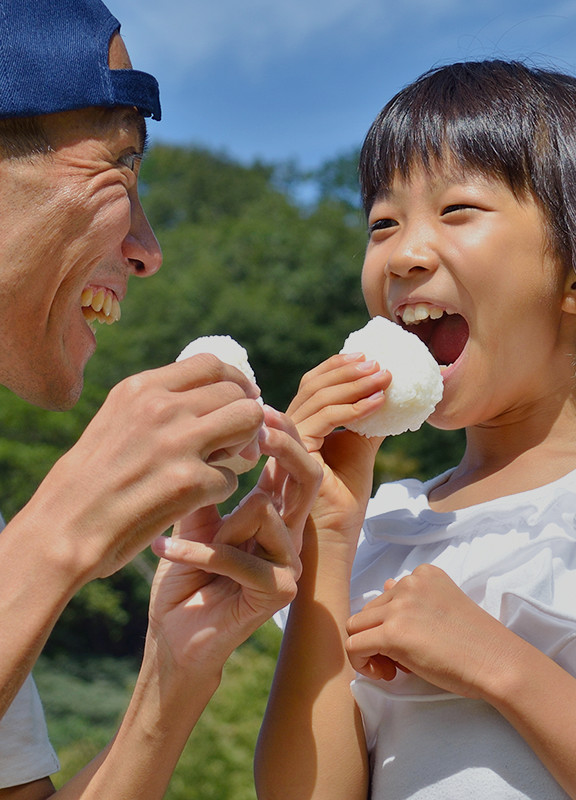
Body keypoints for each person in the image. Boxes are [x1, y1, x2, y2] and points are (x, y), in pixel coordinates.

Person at [0, 0, 322, 797]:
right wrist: (61, 530)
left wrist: (176, 667)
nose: (147, 250)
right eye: (118, 165)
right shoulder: (9, 532)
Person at [255, 59, 576, 799]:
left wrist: (501, 666)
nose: (403, 254)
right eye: (382, 223)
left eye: (458, 210)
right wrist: (329, 543)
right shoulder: (385, 535)